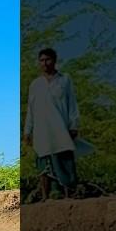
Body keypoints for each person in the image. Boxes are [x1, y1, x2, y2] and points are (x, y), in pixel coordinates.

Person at [23, 48, 80, 201]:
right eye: (41, 60)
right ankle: (45, 196)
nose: (45, 63)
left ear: (54, 60)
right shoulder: (35, 84)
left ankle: (69, 193)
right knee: (43, 162)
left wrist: (74, 125)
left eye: (47, 59)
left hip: (61, 127)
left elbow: (72, 104)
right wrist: (27, 131)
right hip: (42, 129)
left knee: (65, 159)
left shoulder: (64, 80)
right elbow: (31, 109)